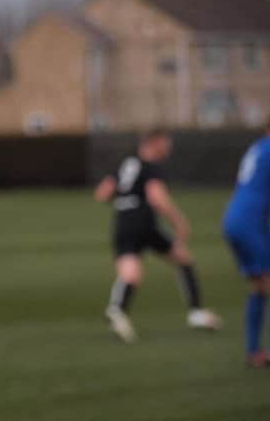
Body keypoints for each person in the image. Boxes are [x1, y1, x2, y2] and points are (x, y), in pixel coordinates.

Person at [94, 129, 221, 343]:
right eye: (166, 143)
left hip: (122, 221)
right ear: (154, 143)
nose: (169, 148)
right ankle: (196, 312)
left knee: (130, 273)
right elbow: (157, 198)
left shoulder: (127, 163)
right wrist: (179, 221)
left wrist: (124, 200)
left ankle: (116, 310)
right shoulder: (151, 167)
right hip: (144, 221)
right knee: (183, 259)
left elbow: (102, 193)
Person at [223, 118, 270, 367]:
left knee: (260, 286)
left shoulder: (258, 147)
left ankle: (254, 351)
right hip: (251, 223)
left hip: (235, 219)